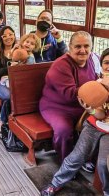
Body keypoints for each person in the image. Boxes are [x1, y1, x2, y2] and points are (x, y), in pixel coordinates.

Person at [40, 48, 109, 196]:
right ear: (102, 65)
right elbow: (99, 114)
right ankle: (56, 182)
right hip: (95, 125)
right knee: (77, 156)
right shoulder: (97, 85)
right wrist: (91, 109)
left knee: (103, 165)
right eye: (107, 63)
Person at [39, 31, 100, 162]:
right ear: (70, 47)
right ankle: (65, 161)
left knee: (100, 124)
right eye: (78, 46)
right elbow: (70, 94)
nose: (83, 50)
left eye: (86, 46)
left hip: (82, 106)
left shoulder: (91, 60)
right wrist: (97, 87)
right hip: (57, 107)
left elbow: (95, 80)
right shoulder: (61, 65)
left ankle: (89, 158)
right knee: (63, 131)